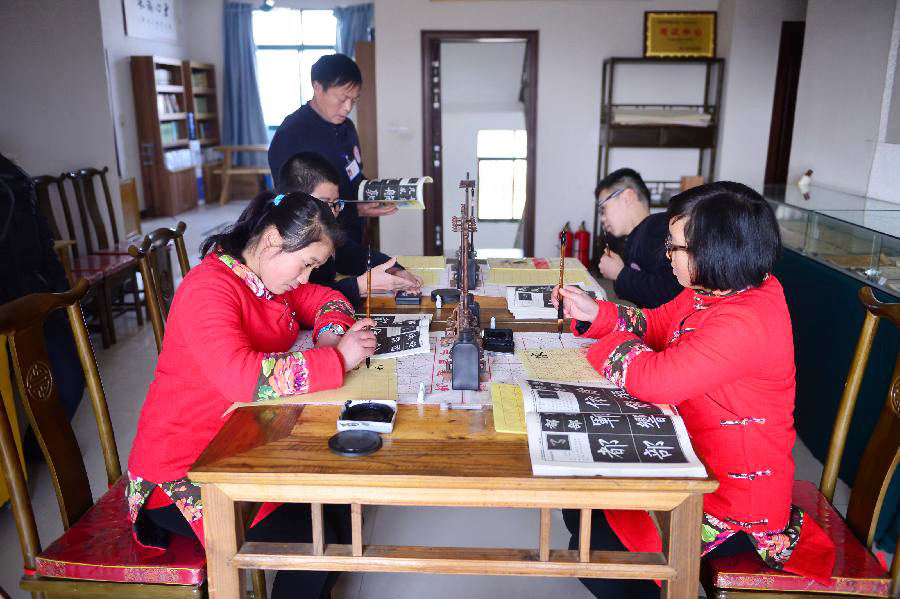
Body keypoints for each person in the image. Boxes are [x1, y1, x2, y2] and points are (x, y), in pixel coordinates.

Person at [553, 182, 834, 598]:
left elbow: (655, 380)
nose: (667, 254)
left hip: (731, 500)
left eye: (675, 246)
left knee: (598, 554)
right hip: (696, 461)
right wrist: (597, 312)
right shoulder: (714, 291)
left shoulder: (746, 321)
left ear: (714, 252)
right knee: (580, 508)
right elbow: (655, 324)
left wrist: (606, 342)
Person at [126, 190, 377, 599]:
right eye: (306, 263)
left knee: (342, 515)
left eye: (313, 267)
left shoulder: (263, 280)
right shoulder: (209, 287)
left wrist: (330, 335)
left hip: (240, 444)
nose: (305, 278)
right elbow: (241, 379)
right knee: (318, 546)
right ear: (274, 239)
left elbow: (328, 298)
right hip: (185, 471)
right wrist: (336, 360)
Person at [269, 53, 395, 246]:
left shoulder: (347, 127)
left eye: (354, 100)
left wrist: (375, 194)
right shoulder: (292, 133)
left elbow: (354, 174)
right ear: (317, 87)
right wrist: (353, 209)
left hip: (352, 236)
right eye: (343, 98)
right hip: (314, 243)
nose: (348, 107)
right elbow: (291, 202)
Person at [277, 151, 422, 308]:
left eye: (336, 203)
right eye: (324, 203)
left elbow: (352, 254)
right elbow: (300, 301)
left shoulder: (322, 232)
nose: (333, 212)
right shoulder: (281, 242)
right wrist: (361, 285)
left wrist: (393, 270)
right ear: (293, 200)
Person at [595, 168, 682, 308]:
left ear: (627, 197)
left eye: (603, 209)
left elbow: (673, 293)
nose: (602, 219)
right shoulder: (637, 236)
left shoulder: (658, 228)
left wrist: (620, 273)